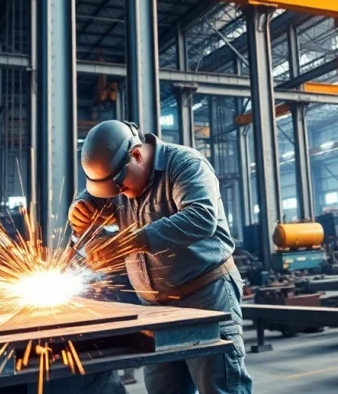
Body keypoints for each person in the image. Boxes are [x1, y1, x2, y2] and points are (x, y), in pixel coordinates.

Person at [69, 120, 253, 394]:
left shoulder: (186, 164)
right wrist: (80, 208)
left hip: (206, 295)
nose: (118, 195)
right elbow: (96, 196)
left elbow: (202, 218)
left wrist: (133, 240)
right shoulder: (118, 179)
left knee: (220, 387)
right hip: (155, 308)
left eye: (119, 186)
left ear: (137, 155)